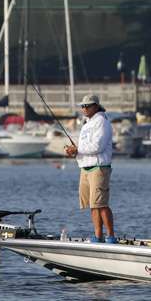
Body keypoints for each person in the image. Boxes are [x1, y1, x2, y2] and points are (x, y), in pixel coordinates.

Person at [65, 95, 117, 244]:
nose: (84, 108)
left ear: (96, 106)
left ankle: (111, 236)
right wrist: (73, 151)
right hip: (85, 168)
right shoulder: (87, 124)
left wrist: (78, 149)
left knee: (101, 204)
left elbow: (97, 147)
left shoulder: (102, 122)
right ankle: (98, 236)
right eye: (82, 106)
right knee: (92, 205)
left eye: (87, 106)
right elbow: (84, 148)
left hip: (99, 167)